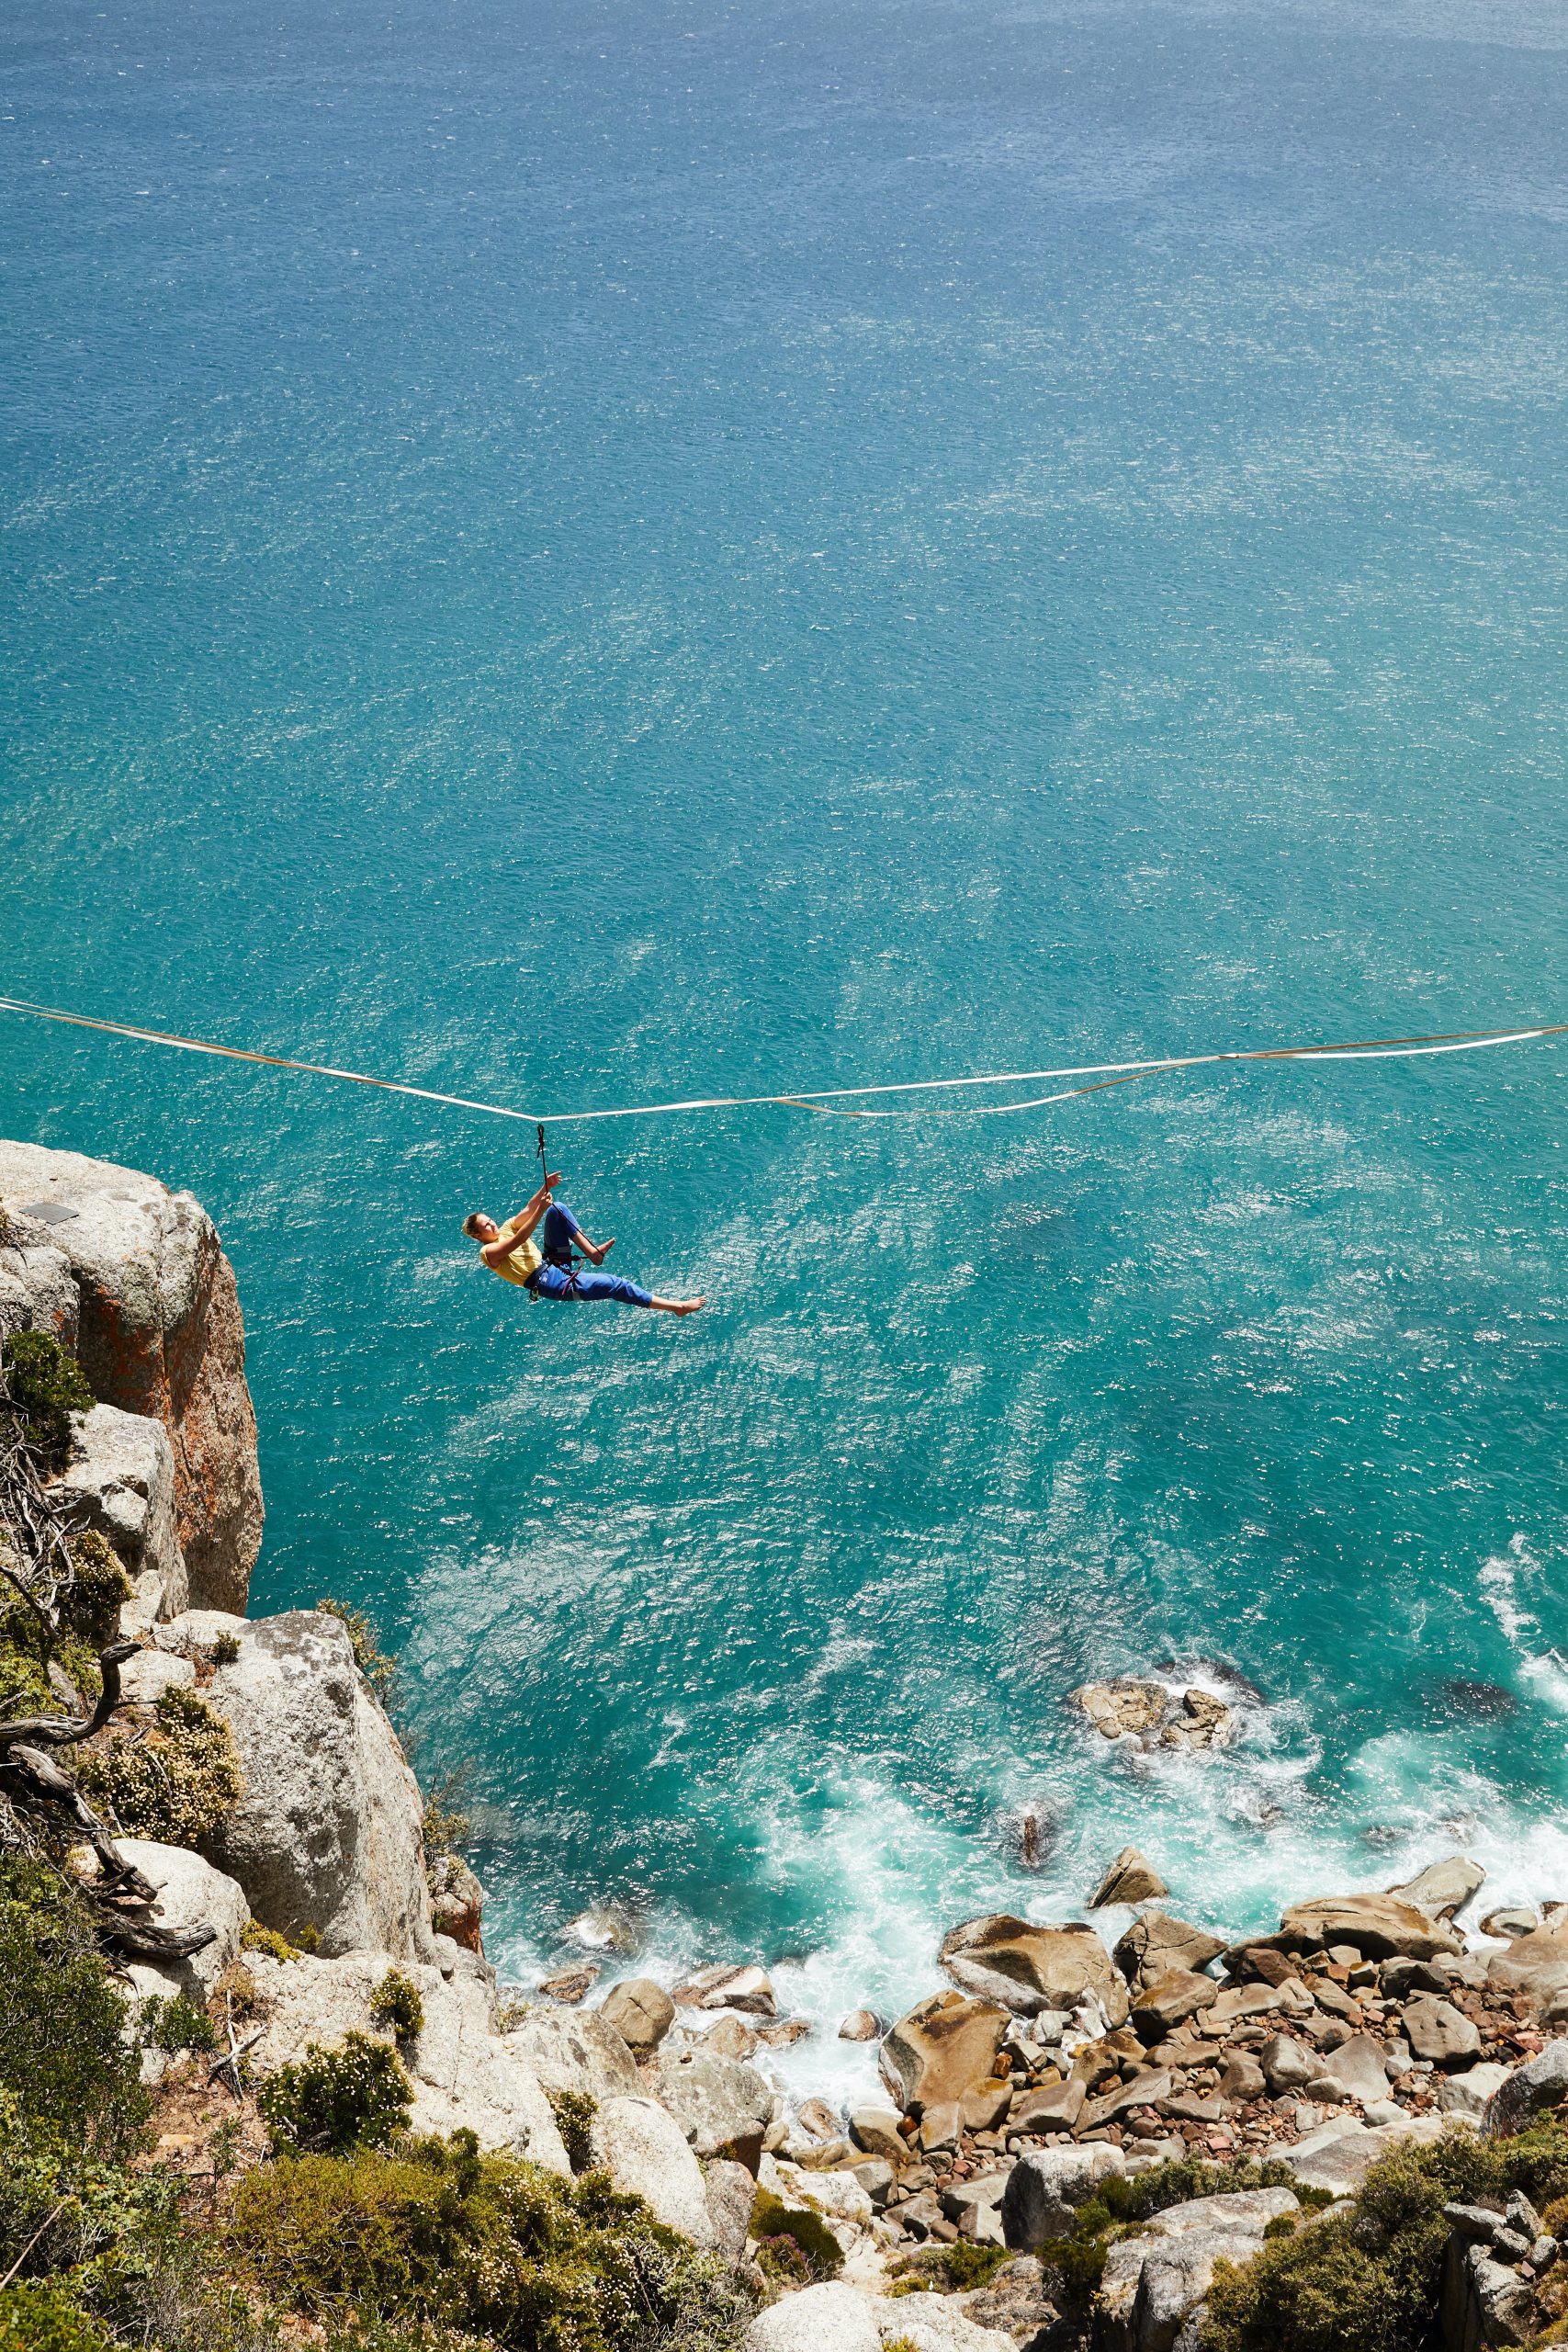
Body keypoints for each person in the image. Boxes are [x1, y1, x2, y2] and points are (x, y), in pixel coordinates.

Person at [462, 1171, 705, 1316]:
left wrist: (545, 1186)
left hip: (553, 1263)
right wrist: (540, 1211)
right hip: (550, 1282)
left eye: (490, 1220)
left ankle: (593, 1253)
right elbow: (520, 1239)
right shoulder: (488, 1253)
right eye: (487, 1226)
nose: (493, 1224)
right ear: (478, 1235)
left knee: (558, 1209)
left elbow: (528, 1209)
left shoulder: (504, 1227)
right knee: (616, 1285)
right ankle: (677, 1307)